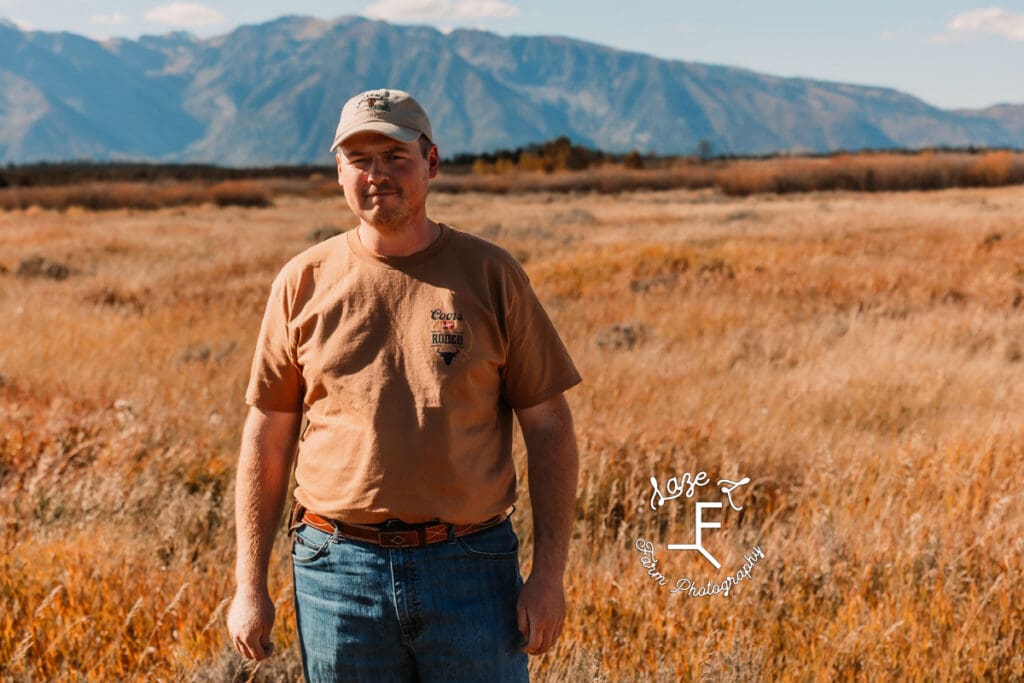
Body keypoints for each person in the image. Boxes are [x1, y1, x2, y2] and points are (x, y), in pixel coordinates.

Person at [226, 88, 582, 682]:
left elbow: (549, 428)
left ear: (432, 163)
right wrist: (248, 587)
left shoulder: (490, 275)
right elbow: (266, 438)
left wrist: (548, 577)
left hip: (470, 567)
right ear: (339, 171)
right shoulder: (302, 281)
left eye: (395, 157)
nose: (377, 175)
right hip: (335, 570)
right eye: (360, 159)